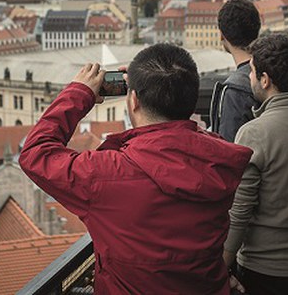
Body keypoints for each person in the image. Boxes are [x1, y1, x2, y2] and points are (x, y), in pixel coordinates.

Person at [19, 44, 252, 294]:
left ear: (133, 100)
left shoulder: (107, 173)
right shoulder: (218, 159)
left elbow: (35, 153)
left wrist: (80, 93)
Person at [223, 33, 288, 295]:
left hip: (265, 269)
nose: (248, 78)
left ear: (265, 80)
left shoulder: (255, 133)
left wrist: (221, 269)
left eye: (251, 72)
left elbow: (239, 213)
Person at [210, 0, 261, 141]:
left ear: (221, 35)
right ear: (257, 30)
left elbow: (229, 149)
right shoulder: (275, 72)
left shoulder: (235, 90)